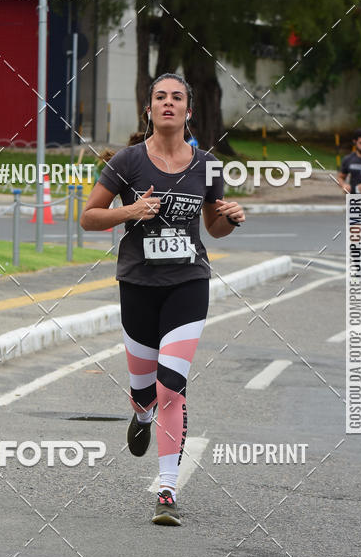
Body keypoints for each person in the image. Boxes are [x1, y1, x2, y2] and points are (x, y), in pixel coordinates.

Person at [80, 73, 245, 526]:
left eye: (177, 98)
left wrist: (231, 217)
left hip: (188, 282)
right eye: (160, 97)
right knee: (143, 391)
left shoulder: (208, 165)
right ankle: (141, 415)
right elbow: (89, 217)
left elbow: (214, 228)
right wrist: (131, 211)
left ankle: (167, 489)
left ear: (189, 110)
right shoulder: (128, 161)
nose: (168, 103)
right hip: (138, 283)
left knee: (171, 384)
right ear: (149, 108)